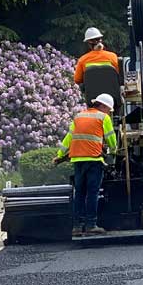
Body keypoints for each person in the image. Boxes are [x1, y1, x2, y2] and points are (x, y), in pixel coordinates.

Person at [54, 93, 117, 235]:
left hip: (77, 161)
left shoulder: (78, 116)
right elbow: (111, 138)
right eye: (109, 109)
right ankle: (91, 225)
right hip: (94, 160)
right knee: (92, 193)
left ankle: (76, 227)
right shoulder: (103, 117)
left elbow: (68, 137)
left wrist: (59, 155)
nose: (109, 113)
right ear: (103, 106)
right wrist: (114, 151)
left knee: (80, 193)